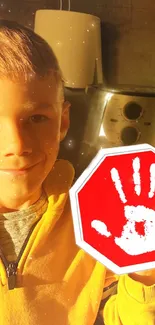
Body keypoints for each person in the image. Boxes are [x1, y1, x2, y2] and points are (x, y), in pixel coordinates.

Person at [0, 19, 152, 325]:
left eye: (37, 118)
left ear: (62, 122)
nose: (17, 144)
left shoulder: (98, 219)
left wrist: (144, 271)